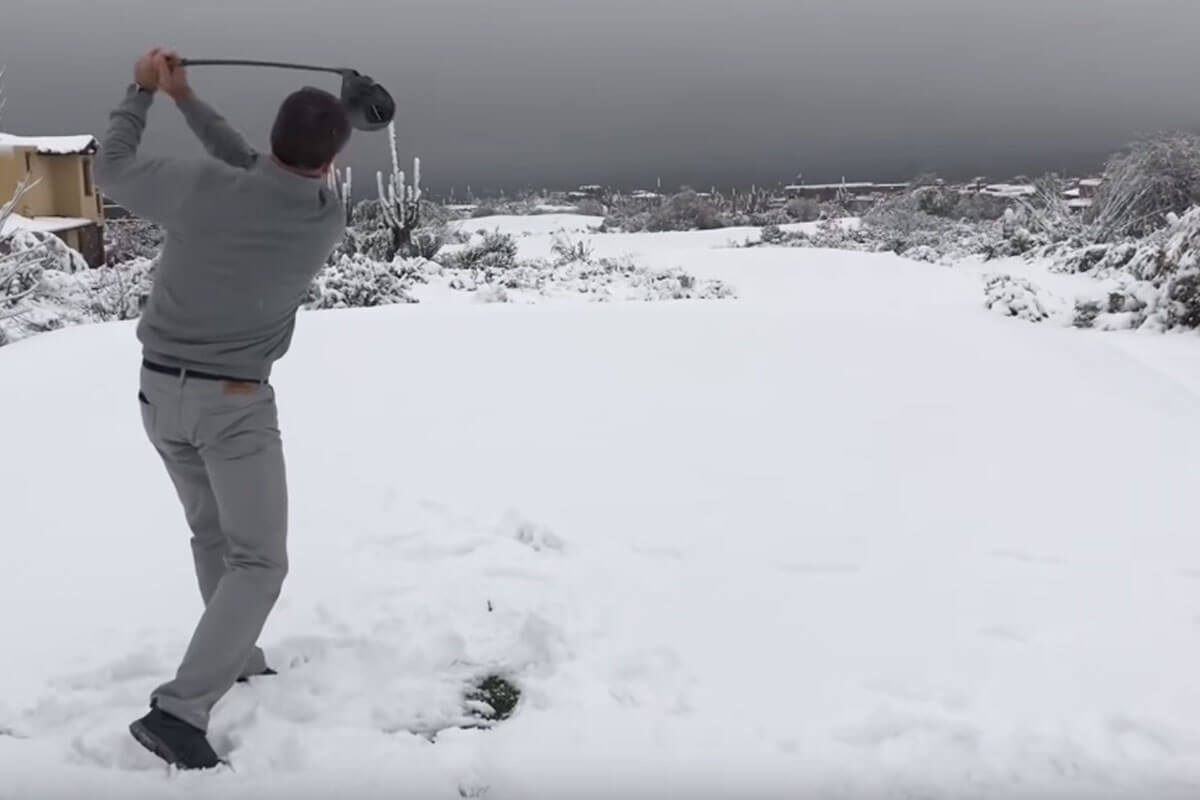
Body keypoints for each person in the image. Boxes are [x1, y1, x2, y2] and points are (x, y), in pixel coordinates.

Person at [94, 48, 350, 770]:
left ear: (273, 139)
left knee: (214, 537)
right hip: (233, 406)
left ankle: (235, 656)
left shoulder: (203, 189)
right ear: (331, 159)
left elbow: (111, 169)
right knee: (260, 562)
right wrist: (183, 100)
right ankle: (179, 711)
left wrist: (147, 93)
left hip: (158, 395)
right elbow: (265, 169)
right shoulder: (324, 217)